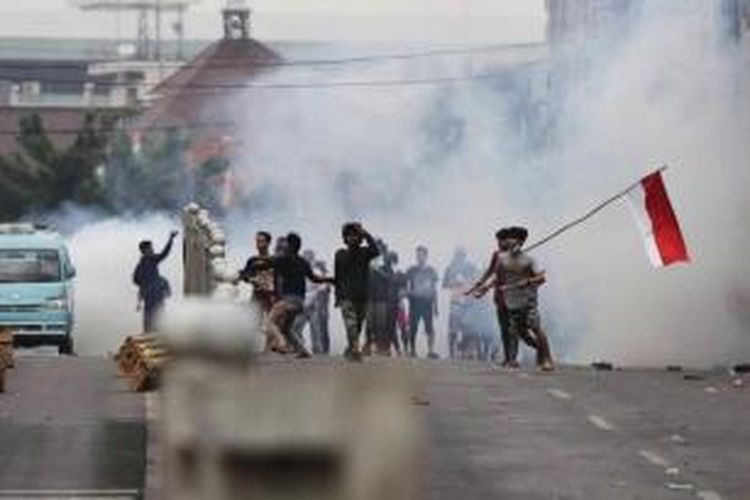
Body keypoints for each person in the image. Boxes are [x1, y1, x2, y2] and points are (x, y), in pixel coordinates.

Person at [470, 227, 554, 371]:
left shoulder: (529, 259)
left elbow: (541, 278)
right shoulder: (502, 258)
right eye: (509, 239)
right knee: (522, 334)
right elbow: (497, 276)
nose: (510, 241)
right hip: (511, 302)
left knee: (535, 327)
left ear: (521, 242)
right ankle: (536, 353)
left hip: (528, 301)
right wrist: (484, 289)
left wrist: (528, 282)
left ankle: (547, 359)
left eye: (514, 239)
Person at [261, 233, 334, 358]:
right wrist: (329, 279)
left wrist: (252, 264)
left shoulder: (284, 259)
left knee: (268, 322)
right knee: (287, 329)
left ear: (289, 245)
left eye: (286, 244)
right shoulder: (303, 262)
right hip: (300, 302)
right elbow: (315, 278)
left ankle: (281, 343)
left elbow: (267, 263)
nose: (283, 246)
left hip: (288, 300)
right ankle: (303, 351)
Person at [467, 230, 517, 367]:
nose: (500, 243)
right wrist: (480, 282)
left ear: (509, 241)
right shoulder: (496, 255)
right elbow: (490, 271)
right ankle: (507, 357)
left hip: (514, 295)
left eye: (503, 240)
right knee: (504, 328)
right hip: (500, 296)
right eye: (498, 240)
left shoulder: (516, 255)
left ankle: (513, 358)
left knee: (514, 328)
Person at [333, 222, 380, 362]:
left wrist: (366, 234)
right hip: (346, 296)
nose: (352, 238)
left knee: (358, 326)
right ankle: (355, 350)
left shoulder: (364, 252)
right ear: (344, 238)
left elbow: (376, 251)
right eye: (349, 235)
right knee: (351, 324)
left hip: (362, 296)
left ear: (360, 238)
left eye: (355, 235)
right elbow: (338, 276)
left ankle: (350, 348)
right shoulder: (340, 254)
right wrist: (337, 296)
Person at [133, 231, 178, 333]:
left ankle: (150, 333)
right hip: (154, 294)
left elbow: (136, 279)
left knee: (150, 316)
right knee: (158, 315)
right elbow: (164, 254)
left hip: (150, 294)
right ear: (145, 250)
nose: (152, 249)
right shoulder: (150, 259)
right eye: (150, 248)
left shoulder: (141, 263)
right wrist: (170, 239)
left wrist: (145, 286)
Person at [442, 247, 478, 359]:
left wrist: (468, 283)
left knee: (468, 328)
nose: (460, 258)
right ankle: (452, 352)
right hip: (456, 301)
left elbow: (477, 280)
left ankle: (466, 351)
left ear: (465, 256)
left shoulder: (471, 267)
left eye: (462, 255)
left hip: (468, 302)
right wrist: (454, 283)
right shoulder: (450, 268)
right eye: (458, 255)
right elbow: (444, 284)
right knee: (453, 329)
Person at [405, 245, 439, 359]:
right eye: (417, 255)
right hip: (414, 303)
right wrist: (408, 293)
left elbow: (434, 290)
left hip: (427, 303)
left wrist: (436, 307)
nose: (419, 257)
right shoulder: (411, 270)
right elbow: (406, 286)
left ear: (426, 256)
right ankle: (412, 350)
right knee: (412, 327)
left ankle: (430, 350)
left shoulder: (431, 271)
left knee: (429, 327)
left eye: (421, 255)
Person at [239, 231, 275, 336]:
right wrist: (252, 279)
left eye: (262, 241)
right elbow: (245, 275)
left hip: (271, 295)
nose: (259, 245)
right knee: (252, 321)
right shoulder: (253, 260)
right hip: (257, 294)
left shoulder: (274, 260)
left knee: (273, 322)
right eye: (257, 241)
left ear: (268, 243)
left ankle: (271, 347)